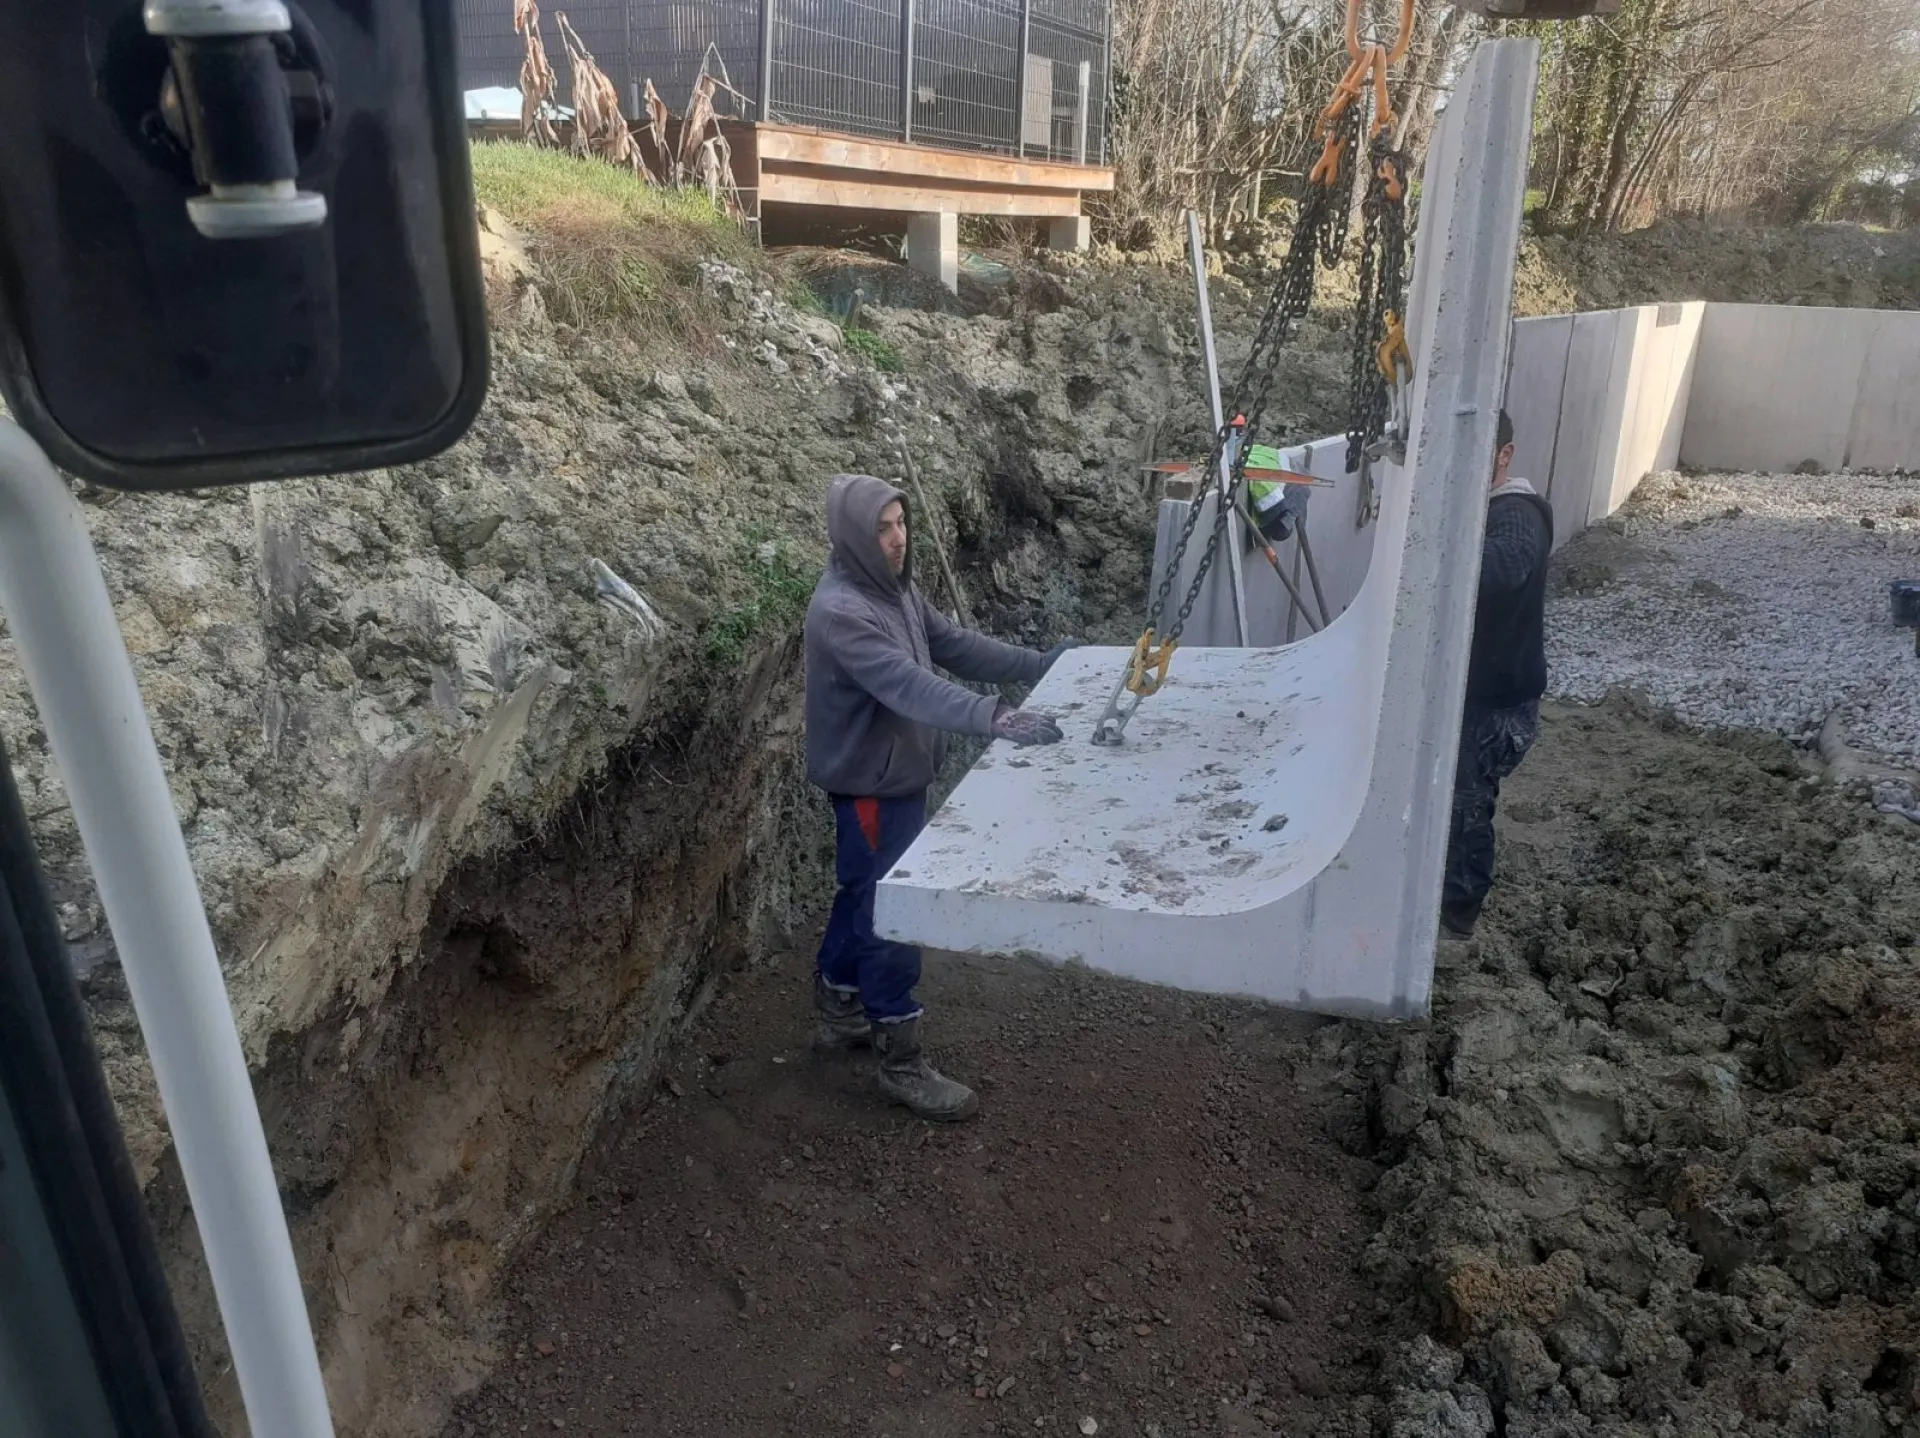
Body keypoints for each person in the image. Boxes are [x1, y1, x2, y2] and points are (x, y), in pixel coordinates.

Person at [803, 473, 1075, 1121]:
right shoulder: (844, 612)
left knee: (863, 891)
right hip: (871, 786)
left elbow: (951, 644)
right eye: (883, 528)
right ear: (854, 536)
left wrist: (1035, 663)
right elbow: (908, 686)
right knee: (893, 910)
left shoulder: (891, 589)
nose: (897, 539)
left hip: (890, 776)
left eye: (902, 524)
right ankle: (900, 1058)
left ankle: (840, 1004)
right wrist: (996, 718)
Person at [1441, 409, 1554, 940]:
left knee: (1464, 805)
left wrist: (1434, 552)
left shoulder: (1516, 512)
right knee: (1452, 799)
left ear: (1504, 455)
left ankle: (1457, 920)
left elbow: (1506, 566)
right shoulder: (1477, 506)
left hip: (1497, 707)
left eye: (1479, 454)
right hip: (1478, 693)